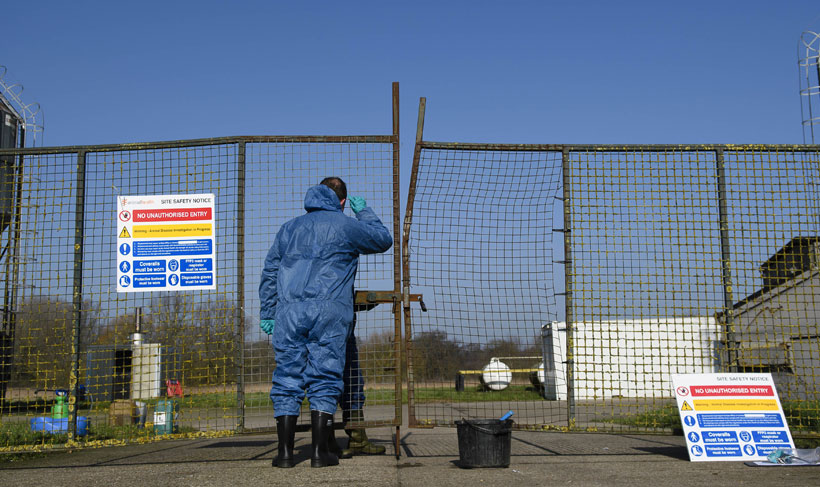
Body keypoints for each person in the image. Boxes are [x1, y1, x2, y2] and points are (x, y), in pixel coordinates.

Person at [259, 177, 392, 468]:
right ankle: (320, 453)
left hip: (289, 313)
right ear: (341, 202)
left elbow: (270, 271)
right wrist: (365, 212)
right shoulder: (345, 225)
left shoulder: (289, 228)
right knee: (325, 377)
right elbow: (383, 239)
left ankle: (284, 454)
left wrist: (268, 312)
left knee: (287, 378)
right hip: (330, 312)